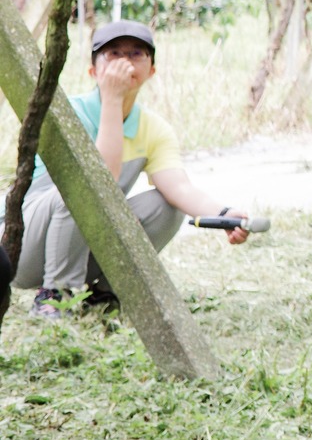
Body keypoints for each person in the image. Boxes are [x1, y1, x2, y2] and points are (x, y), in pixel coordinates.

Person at [12, 20, 255, 317]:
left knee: (167, 205)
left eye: (137, 53)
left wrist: (224, 215)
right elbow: (99, 184)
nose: (125, 61)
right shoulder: (69, 112)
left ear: (151, 71)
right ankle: (56, 296)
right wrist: (112, 100)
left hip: (83, 243)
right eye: (113, 53)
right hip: (25, 246)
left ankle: (104, 293)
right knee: (80, 189)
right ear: (93, 71)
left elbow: (179, 188)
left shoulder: (154, 128)